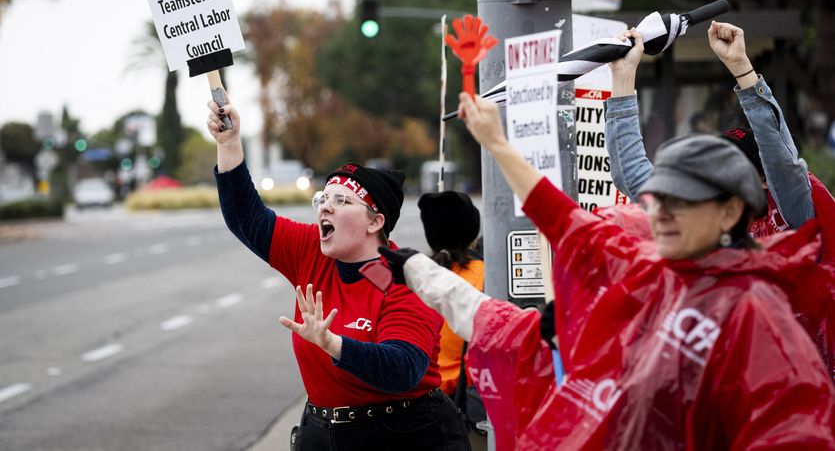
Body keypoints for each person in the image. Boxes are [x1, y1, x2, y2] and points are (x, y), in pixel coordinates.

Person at [380, 92, 835, 449]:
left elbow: (794, 432)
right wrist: (496, 145)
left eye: (684, 201)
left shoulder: (757, 312)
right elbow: (567, 223)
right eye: (659, 200)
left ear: (731, 211)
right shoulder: (652, 271)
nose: (662, 214)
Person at [206, 100, 470, 451]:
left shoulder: (408, 279)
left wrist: (334, 344)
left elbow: (403, 368)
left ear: (376, 222)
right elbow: (247, 218)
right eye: (324, 198)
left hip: (405, 433)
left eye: (342, 201)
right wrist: (228, 144)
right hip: (323, 431)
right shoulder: (311, 249)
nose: (326, 206)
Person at [605, 21, 835, 377]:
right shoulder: (706, 226)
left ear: (762, 181)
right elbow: (633, 177)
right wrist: (623, 77)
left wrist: (742, 69)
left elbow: (783, 162)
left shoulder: (796, 216)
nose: (711, 184)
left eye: (728, 173)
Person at [418, 191, 484, 398]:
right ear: (472, 231)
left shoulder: (412, 274)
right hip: (464, 397)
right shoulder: (487, 275)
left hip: (420, 394)